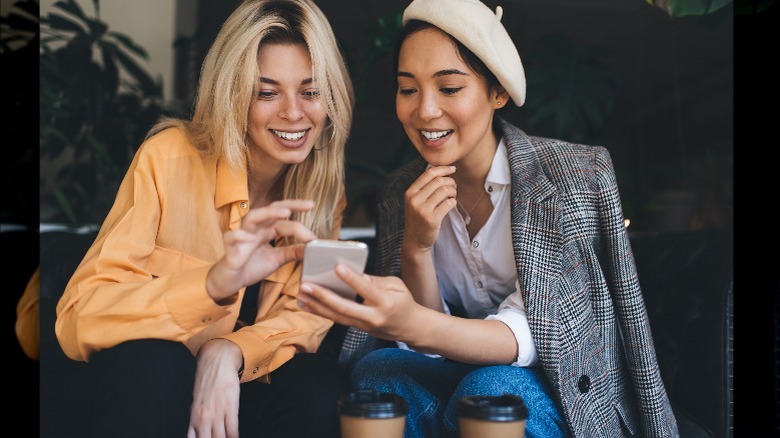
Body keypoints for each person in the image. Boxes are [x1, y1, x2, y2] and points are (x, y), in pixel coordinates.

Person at [296, 0, 679, 437]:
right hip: (458, 374)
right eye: (408, 89)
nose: (424, 111)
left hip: (558, 385)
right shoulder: (401, 191)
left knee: (492, 388)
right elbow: (427, 352)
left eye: (450, 88)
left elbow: (546, 333)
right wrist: (417, 248)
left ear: (497, 93)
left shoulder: (572, 176)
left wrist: (415, 324)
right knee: (381, 373)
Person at [52, 0, 354, 437]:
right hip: (146, 384)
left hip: (237, 384)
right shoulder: (169, 157)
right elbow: (79, 318)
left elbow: (306, 319)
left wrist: (227, 352)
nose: (294, 113)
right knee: (157, 363)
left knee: (319, 387)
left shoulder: (323, 187)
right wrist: (213, 284)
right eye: (266, 92)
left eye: (310, 91)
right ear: (232, 94)